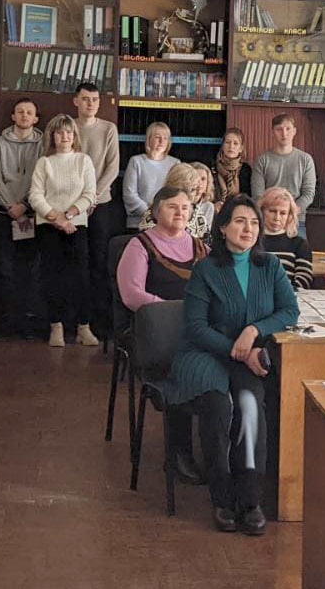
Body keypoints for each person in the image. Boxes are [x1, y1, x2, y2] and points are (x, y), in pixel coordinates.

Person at [168, 196, 298, 535]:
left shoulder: (269, 266)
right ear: (223, 227)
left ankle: (251, 500)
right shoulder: (206, 269)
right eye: (240, 221)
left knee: (250, 405)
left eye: (254, 222)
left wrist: (254, 331)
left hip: (247, 355)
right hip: (205, 353)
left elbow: (289, 311)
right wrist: (238, 349)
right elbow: (196, 328)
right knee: (218, 406)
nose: (248, 229)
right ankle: (222, 497)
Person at [115, 185, 207, 485]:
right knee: (181, 366)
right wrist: (172, 311)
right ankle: (178, 453)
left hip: (195, 331)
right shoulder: (140, 245)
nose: (180, 212)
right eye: (172, 206)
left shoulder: (201, 248)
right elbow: (131, 295)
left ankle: (217, 452)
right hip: (154, 334)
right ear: (156, 211)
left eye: (185, 207)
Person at [29, 115, 99, 348]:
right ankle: (56, 326)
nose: (65, 136)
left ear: (75, 136)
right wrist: (56, 218)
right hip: (48, 226)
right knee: (52, 276)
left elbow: (89, 194)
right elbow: (35, 196)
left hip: (77, 224)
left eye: (69, 132)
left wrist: (68, 215)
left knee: (81, 276)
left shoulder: (83, 161)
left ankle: (83, 327)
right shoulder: (44, 163)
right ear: (52, 137)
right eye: (59, 132)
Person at [0, 97, 45, 333]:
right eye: (20, 112)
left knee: (32, 269)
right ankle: (8, 320)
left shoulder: (42, 145)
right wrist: (11, 207)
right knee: (6, 268)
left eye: (29, 112)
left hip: (33, 214)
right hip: (4, 214)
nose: (24, 116)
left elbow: (42, 178)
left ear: (36, 118)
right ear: (12, 116)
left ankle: (30, 320)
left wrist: (24, 205)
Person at [74, 82, 121, 340]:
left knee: (99, 263)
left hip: (100, 204)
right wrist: (80, 200)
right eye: (85, 99)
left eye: (94, 99)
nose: (90, 104)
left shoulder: (108, 129)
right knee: (76, 262)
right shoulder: (69, 127)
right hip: (72, 206)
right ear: (76, 101)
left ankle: (100, 324)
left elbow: (112, 168)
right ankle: (77, 322)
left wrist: (92, 196)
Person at [250, 114, 316, 235]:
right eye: (279, 129)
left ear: (294, 131)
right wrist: (274, 214)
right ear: (273, 132)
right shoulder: (262, 160)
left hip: (296, 220)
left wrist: (290, 213)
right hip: (268, 222)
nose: (284, 134)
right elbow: (258, 196)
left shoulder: (305, 160)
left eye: (288, 129)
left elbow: (308, 194)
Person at [123, 121, 179, 228]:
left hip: (167, 224)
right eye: (157, 137)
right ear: (149, 139)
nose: (161, 141)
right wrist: (151, 214)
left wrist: (164, 215)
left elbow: (177, 194)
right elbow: (129, 194)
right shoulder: (136, 161)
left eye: (165, 138)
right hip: (139, 223)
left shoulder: (175, 163)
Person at [138, 163, 212, 242]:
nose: (192, 195)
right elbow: (148, 243)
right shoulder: (154, 213)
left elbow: (206, 244)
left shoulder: (197, 214)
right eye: (190, 190)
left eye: (194, 189)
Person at [257, 187, 313, 289]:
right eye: (272, 211)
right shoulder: (251, 241)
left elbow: (304, 280)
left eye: (283, 213)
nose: (277, 218)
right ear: (262, 211)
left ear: (290, 215)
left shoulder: (299, 244)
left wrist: (283, 293)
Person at [212, 127, 252, 210]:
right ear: (223, 146)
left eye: (235, 143)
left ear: (241, 148)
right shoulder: (212, 167)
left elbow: (248, 197)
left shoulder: (246, 170)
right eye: (228, 142)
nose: (231, 146)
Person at [188, 162, 217, 243]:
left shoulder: (209, 206)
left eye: (203, 179)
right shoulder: (180, 201)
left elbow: (204, 234)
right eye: (195, 178)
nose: (199, 183)